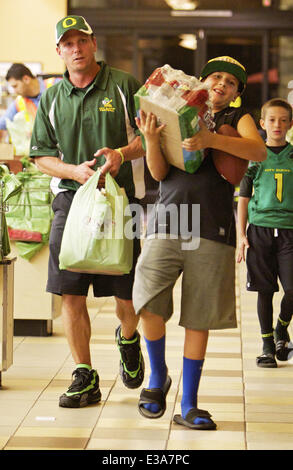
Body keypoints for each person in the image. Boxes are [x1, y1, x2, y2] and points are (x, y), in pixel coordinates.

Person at [133, 56, 266, 430]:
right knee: (148, 301)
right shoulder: (176, 111)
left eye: (231, 83)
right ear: (202, 81)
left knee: (200, 315)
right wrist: (151, 140)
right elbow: (159, 173)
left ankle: (189, 404)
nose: (221, 85)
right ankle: (158, 378)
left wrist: (210, 139)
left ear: (237, 93)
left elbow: (258, 151)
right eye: (216, 77)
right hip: (167, 220)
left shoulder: (235, 120)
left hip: (213, 226)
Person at [29, 15, 146, 408]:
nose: (76, 48)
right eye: (68, 43)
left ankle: (128, 337)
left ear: (94, 44)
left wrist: (121, 154)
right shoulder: (50, 98)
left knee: (126, 296)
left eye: (82, 40)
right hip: (71, 201)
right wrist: (71, 172)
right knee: (70, 293)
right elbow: (40, 156)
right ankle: (84, 375)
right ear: (59, 52)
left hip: (119, 202)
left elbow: (151, 136)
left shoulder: (124, 84)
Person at [237, 98, 293, 368]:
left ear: (291, 124)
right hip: (259, 230)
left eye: (283, 120)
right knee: (265, 290)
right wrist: (241, 235)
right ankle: (268, 345)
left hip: (289, 231)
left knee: (291, 288)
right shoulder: (256, 156)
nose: (277, 125)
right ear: (262, 124)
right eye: (272, 120)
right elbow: (244, 199)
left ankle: (282, 328)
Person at [0, 63, 59, 141]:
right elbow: (3, 123)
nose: (14, 91)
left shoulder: (57, 85)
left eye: (15, 86)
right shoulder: (19, 102)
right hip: (45, 148)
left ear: (26, 79)